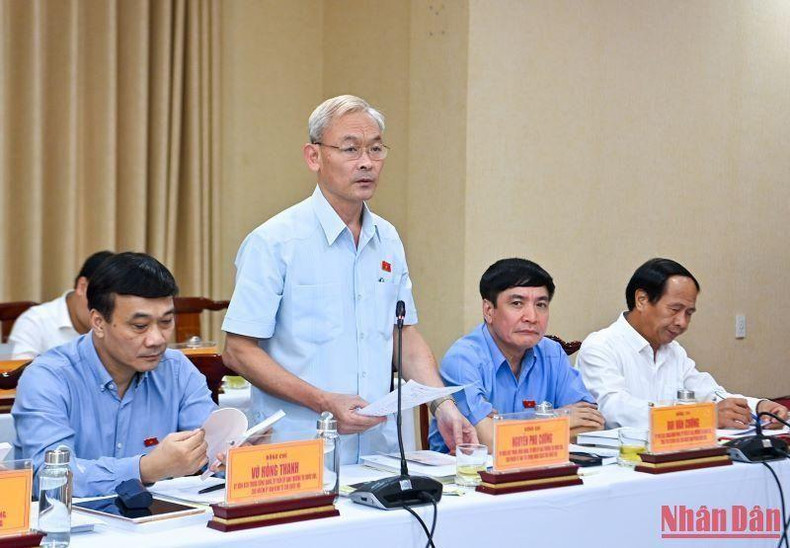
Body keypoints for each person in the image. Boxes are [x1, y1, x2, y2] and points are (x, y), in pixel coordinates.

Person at [222, 95, 476, 463]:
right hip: (298, 451)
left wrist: (443, 404)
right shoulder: (275, 241)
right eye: (350, 149)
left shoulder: (387, 239)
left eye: (376, 149)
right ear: (314, 157)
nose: (366, 163)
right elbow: (238, 351)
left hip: (376, 448)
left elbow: (401, 334)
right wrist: (324, 401)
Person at [13, 252, 216, 497]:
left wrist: (229, 452)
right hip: (68, 527)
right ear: (98, 322)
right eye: (140, 326)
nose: (157, 339)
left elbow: (212, 443)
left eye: (166, 322)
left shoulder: (176, 369)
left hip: (156, 523)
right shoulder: (48, 378)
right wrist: (144, 469)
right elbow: (51, 478)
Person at [577, 257, 788, 429]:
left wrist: (758, 406)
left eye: (689, 313)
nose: (682, 322)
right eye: (675, 309)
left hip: (672, 456)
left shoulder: (674, 351)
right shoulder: (600, 346)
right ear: (641, 299)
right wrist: (702, 416)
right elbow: (614, 410)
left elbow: (710, 393)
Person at [428, 258, 604, 452]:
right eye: (517, 303)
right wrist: (559, 418)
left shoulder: (552, 353)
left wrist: (505, 428)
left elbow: (592, 425)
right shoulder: (463, 360)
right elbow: (489, 442)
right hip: (467, 476)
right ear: (488, 310)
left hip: (542, 470)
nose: (532, 317)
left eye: (541, 305)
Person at [9, 250, 115, 359]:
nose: (107, 310)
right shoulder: (35, 322)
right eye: (103, 298)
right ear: (82, 286)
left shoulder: (118, 325)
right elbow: (20, 373)